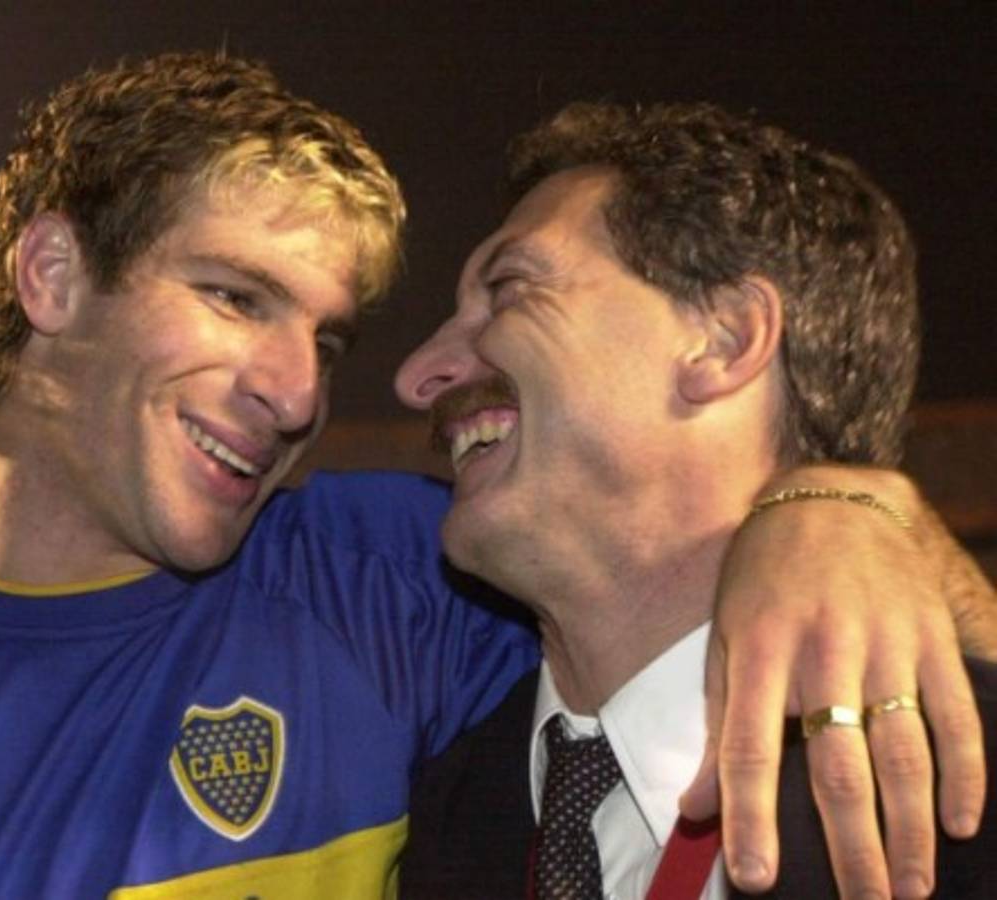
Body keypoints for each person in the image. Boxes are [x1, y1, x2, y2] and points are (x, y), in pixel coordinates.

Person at [0, 53, 988, 899]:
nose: (303, 393)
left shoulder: (387, 579)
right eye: (233, 296)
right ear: (53, 275)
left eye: (325, 339)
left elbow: (653, 560)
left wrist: (839, 499)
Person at [397, 100, 997, 899]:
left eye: (508, 289)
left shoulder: (963, 789)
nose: (418, 373)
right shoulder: (440, 810)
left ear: (723, 339)